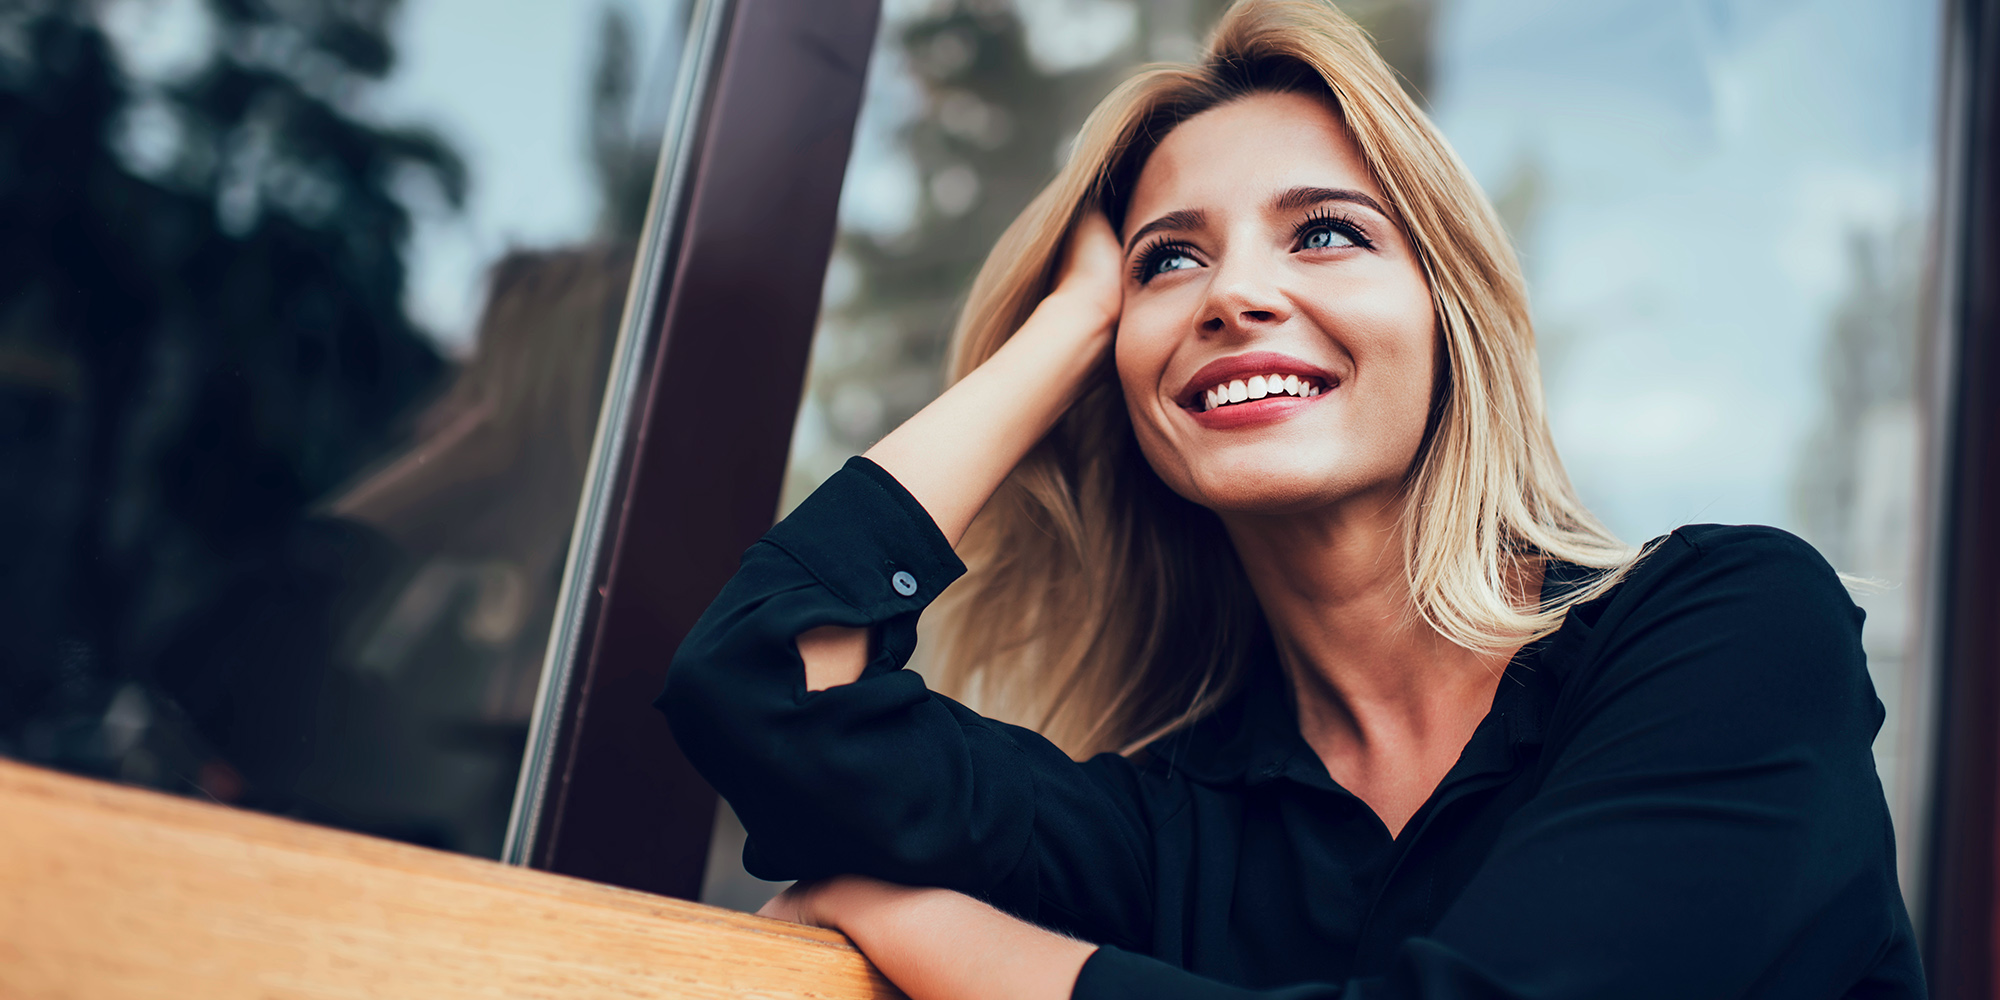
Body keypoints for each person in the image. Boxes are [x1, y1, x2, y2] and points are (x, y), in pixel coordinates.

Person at [659, 2, 1925, 997]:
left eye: (1323, 232)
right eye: (1171, 260)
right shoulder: (1164, 828)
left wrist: (917, 927)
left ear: (1448, 319)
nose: (1231, 295)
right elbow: (764, 686)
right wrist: (1064, 326)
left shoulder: (1728, 631)